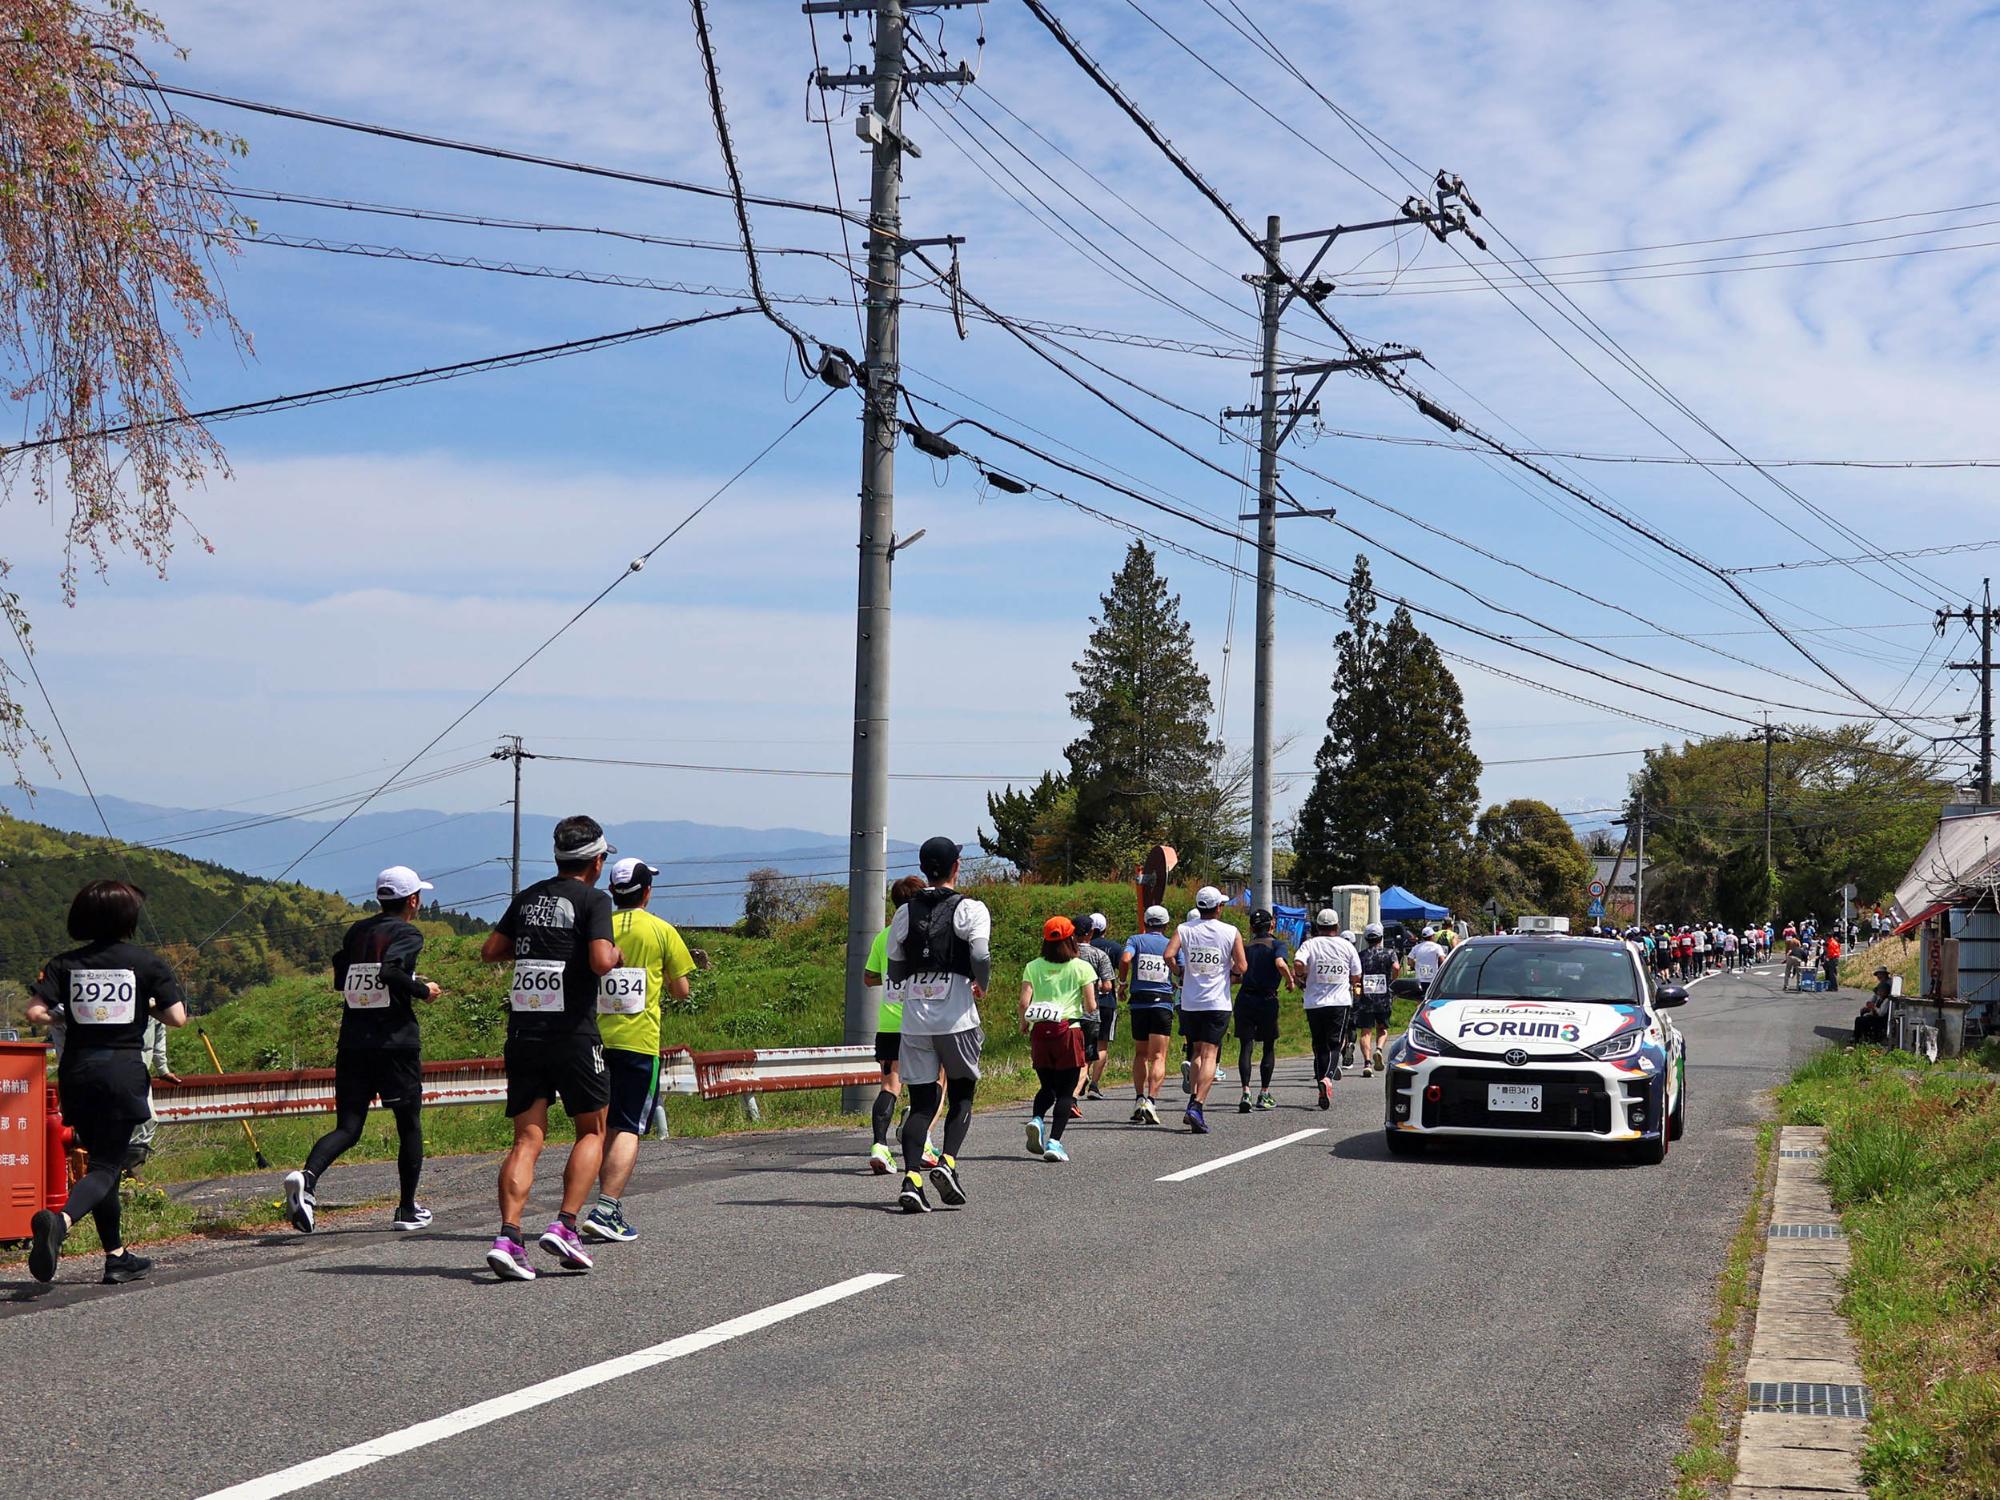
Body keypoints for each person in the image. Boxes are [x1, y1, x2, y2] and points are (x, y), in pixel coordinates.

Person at [479, 816, 623, 1281]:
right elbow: (602, 961)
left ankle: (508, 1236)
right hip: (573, 1034)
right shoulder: (594, 899)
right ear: (597, 861)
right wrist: (615, 955)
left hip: (524, 1033)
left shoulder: (528, 897)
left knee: (527, 1138)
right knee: (592, 1131)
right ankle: (565, 1226)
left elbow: (492, 949)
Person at [24, 880, 188, 1285]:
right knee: (105, 1167)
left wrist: (66, 1016)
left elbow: (34, 1013)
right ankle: (59, 1222)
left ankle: (116, 1257)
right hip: (121, 1073)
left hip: (78, 1073)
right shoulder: (147, 963)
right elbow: (177, 1017)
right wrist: (143, 1005)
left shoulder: (65, 964)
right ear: (128, 918)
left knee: (102, 1165)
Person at [283, 866, 442, 1237]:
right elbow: (389, 972)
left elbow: (343, 976)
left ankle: (307, 1180)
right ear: (413, 900)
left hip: (353, 1042)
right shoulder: (407, 932)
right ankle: (406, 1208)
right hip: (394, 1043)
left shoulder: (357, 931)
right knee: (408, 1124)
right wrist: (423, 990)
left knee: (349, 1128)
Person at [578, 857, 696, 1243]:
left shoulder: (596, 927)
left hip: (592, 1040)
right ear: (647, 892)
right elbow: (681, 990)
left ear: (612, 892)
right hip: (638, 1043)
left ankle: (599, 1205)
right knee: (628, 1126)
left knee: (600, 1127)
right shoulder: (662, 930)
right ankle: (607, 1208)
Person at [886, 836, 992, 1213]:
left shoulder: (904, 913)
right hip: (957, 1015)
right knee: (962, 1093)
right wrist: (983, 981)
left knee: (920, 1103)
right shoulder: (971, 909)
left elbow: (895, 965)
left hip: (915, 1018)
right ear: (956, 867)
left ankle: (912, 1178)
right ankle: (947, 1163)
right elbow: (979, 952)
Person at [864, 875, 933, 1176]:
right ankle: (925, 1143)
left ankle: (879, 1146)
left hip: (889, 1024)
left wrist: (889, 978)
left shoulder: (884, 936)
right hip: (921, 1021)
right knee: (933, 1083)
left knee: (890, 1086)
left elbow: (869, 978)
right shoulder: (926, 934)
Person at [1163, 886, 1246, 1135]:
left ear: (1199, 907)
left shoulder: (1184, 929)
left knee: (1196, 1051)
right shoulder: (1230, 931)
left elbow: (1169, 954)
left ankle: (1193, 1101)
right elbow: (1242, 965)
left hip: (1190, 1001)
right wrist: (1229, 974)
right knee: (1211, 1054)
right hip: (1217, 1001)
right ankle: (1197, 1105)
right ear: (1219, 907)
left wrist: (1180, 972)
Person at [1020, 916, 1100, 1162]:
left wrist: (1024, 1023)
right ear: (1071, 938)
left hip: (1040, 1032)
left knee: (1047, 1086)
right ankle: (1054, 1142)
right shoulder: (1081, 967)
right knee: (1066, 1091)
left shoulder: (1033, 966)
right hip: (1069, 1031)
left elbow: (1024, 1001)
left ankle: (1036, 1119)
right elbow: (1090, 1004)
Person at [1296, 909, 1362, 1108]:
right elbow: (1357, 974)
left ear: (1317, 927)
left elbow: (1298, 962)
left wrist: (1302, 977)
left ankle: (1320, 1088)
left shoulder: (1309, 944)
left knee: (1319, 1045)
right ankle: (1327, 1079)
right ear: (1337, 927)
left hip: (1314, 1002)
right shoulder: (1346, 946)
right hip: (1339, 1002)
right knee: (1335, 1044)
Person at [1233, 909, 1293, 1113]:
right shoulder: (1277, 944)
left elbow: (1236, 971)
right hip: (1267, 999)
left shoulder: (1246, 946)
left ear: (1251, 927)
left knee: (1246, 1046)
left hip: (1245, 998)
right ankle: (1264, 1093)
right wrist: (1290, 980)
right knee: (1268, 1046)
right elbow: (1280, 963)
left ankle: (1245, 1092)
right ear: (1272, 924)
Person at [1121, 905, 1176, 1124]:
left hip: (1139, 1003)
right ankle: (1151, 1101)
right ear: (1166, 924)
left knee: (1141, 1054)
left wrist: (1123, 983)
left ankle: (1138, 1098)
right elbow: (1178, 967)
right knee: (1159, 1056)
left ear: (1145, 922)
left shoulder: (1135, 940)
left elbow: (1125, 959)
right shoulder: (1171, 943)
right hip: (1162, 1002)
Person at [1069, 912, 1116, 1117]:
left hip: (1066, 1012)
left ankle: (1064, 1092)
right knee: (1085, 1059)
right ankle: (1072, 1096)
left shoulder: (1065, 953)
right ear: (1091, 933)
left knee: (1068, 1057)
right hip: (1090, 1012)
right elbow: (1107, 985)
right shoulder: (1099, 955)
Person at [123, 1013, 181, 1176]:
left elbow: (159, 1031)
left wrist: (162, 1069)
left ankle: (131, 1173)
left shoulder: (152, 1000)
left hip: (140, 1071)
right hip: (112, 1066)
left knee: (147, 1120)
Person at [1353, 923, 1401, 1077]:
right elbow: (1396, 968)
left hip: (1366, 999)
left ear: (1366, 938)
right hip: (1384, 997)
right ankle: (1379, 1049)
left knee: (1365, 1032)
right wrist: (1392, 981)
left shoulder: (1360, 956)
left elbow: (1355, 974)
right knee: (1383, 1028)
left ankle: (1367, 1063)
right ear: (1381, 937)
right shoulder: (1389, 953)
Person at [1083, 913, 1122, 1100]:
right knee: (1102, 1043)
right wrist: (1122, 984)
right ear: (1105, 929)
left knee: (1083, 1043)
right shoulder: (1113, 947)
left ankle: (1081, 1076)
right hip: (1106, 1002)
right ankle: (1094, 1084)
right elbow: (1122, 964)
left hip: (1081, 1002)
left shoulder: (1077, 948)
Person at [1854, 967, 1891, 1044]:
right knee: (1863, 1013)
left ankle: (1859, 1037)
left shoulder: (1889, 985)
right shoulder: (1880, 986)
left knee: (1860, 1019)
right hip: (1877, 1012)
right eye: (1878, 975)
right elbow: (1874, 997)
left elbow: (1881, 1013)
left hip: (1881, 1018)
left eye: (1880, 974)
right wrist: (1869, 1005)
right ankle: (1865, 1035)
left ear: (1885, 974)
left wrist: (1873, 1007)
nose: (1879, 976)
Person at [1407, 926, 1447, 995]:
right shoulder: (1437, 947)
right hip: (1433, 979)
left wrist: (1416, 965)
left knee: (1419, 1001)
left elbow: (1409, 962)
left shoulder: (1416, 947)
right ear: (1432, 936)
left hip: (1419, 980)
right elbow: (1442, 960)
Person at [1822, 929, 1843, 993]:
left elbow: (1830, 953)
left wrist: (1827, 958)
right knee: (1833, 973)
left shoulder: (1831, 943)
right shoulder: (1833, 942)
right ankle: (1833, 986)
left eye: (1825, 937)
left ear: (1828, 937)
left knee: (1832, 973)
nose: (1825, 938)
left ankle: (1834, 987)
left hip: (1833, 958)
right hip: (1835, 958)